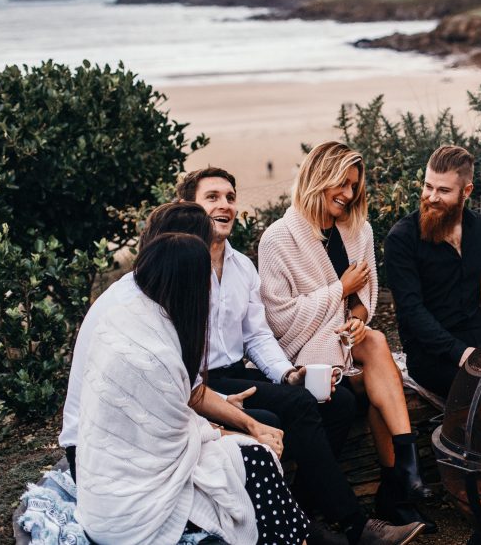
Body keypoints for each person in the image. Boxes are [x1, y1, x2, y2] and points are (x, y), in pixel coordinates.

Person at [178, 167, 423, 545]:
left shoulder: (242, 266)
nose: (225, 205)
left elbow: (257, 336)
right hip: (196, 385)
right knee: (291, 409)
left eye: (230, 197)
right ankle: (357, 527)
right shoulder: (176, 266)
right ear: (188, 206)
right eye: (212, 197)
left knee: (337, 403)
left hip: (235, 371)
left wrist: (287, 373)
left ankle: (301, 516)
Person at [75, 232, 310, 545]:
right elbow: (176, 443)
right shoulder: (155, 353)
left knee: (253, 451)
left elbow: (176, 419)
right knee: (258, 460)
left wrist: (244, 432)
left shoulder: (129, 318)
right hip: (134, 508)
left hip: (107, 487)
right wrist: (247, 436)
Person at [259, 142, 437, 532]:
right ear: (316, 178)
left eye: (354, 185)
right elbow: (280, 321)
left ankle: (403, 473)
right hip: (304, 354)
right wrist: (338, 290)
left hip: (350, 347)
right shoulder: (277, 239)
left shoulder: (359, 231)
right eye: (340, 183)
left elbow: (364, 301)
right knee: (360, 382)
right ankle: (398, 483)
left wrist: (356, 318)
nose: (348, 193)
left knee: (371, 339)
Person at [59, 201, 282, 482]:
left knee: (263, 426)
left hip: (139, 438)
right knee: (253, 453)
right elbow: (164, 425)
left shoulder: (156, 293)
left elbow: (189, 389)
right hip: (103, 455)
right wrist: (239, 434)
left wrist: (250, 424)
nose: (211, 258)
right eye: (206, 247)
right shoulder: (134, 314)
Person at [384, 145, 481, 398]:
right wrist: (460, 353)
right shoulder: (401, 239)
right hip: (430, 354)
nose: (432, 197)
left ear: (466, 191)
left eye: (443, 190)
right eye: (428, 186)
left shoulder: (479, 228)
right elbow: (412, 312)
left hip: (480, 338)